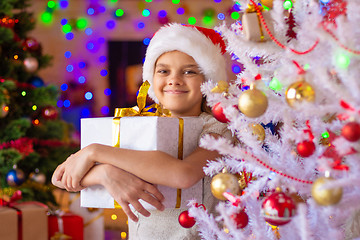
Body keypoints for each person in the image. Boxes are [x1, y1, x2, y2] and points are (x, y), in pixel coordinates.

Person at [52, 23, 233, 239]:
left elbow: (183, 175)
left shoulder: (217, 128)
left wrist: (95, 153)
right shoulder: (139, 124)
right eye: (163, 71)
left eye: (189, 71)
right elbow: (60, 178)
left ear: (207, 80)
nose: (174, 79)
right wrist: (106, 173)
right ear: (151, 78)